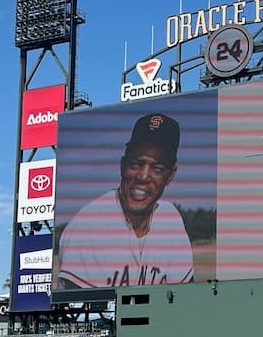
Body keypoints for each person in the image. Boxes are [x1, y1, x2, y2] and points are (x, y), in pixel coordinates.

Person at [57, 112, 195, 289]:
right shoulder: (87, 227)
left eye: (157, 168)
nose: (143, 176)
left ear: (170, 175)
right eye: (136, 164)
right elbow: (76, 310)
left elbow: (187, 296)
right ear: (122, 165)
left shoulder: (171, 220)